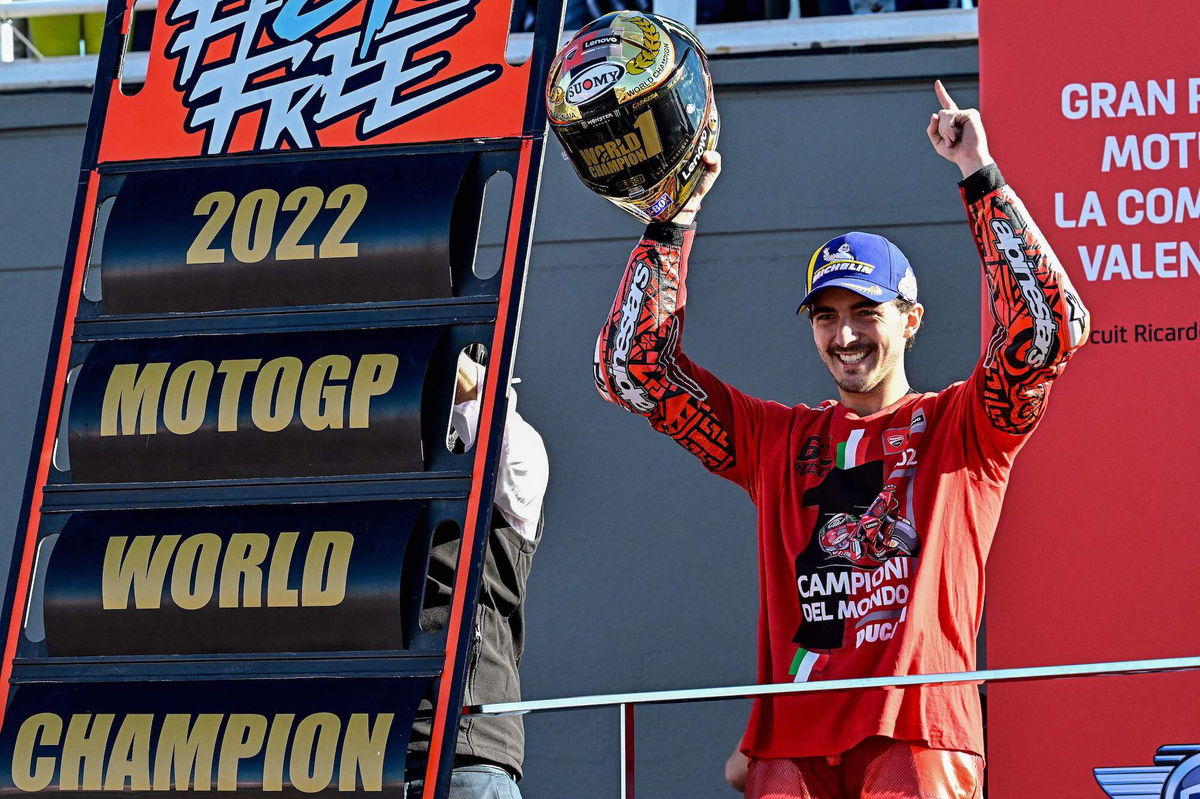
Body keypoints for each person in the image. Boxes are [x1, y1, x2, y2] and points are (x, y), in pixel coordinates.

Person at [593, 81, 1089, 798]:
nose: (845, 333)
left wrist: (980, 176)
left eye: (866, 310)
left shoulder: (966, 424)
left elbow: (1051, 328)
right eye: (825, 315)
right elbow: (630, 370)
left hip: (915, 731)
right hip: (788, 747)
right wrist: (673, 220)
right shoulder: (777, 439)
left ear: (911, 319)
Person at [406, 348, 549, 799]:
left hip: (465, 753)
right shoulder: (385, 471)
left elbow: (488, 408)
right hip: (369, 754)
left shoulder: (516, 454)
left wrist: (439, 352)